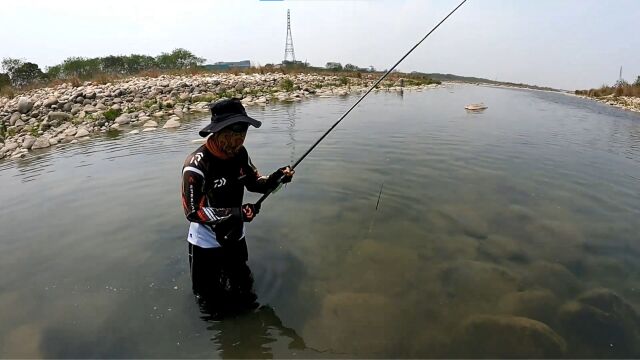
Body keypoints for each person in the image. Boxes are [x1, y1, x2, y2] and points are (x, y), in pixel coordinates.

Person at [181, 98, 294, 313]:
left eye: (243, 132)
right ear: (217, 132)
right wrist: (237, 212)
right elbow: (193, 212)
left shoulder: (240, 154)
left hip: (236, 234)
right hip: (206, 241)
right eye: (233, 133)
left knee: (244, 289)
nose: (238, 140)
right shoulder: (196, 166)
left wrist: (276, 178)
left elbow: (254, 183)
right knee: (208, 302)